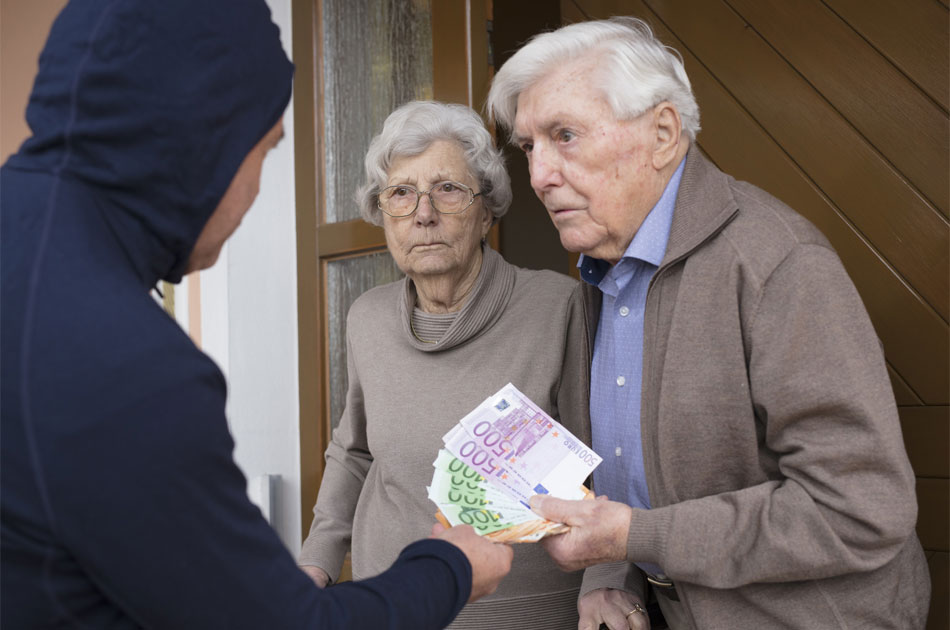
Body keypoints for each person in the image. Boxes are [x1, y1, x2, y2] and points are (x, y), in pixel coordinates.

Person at [0, 2, 512, 628]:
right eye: (267, 152)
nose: (255, 196)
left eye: (447, 191)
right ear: (206, 140)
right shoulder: (124, 364)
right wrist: (449, 565)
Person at [486, 16, 930, 630]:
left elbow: (860, 509)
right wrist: (609, 576)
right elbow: (616, 467)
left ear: (663, 133)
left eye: (565, 135)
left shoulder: (778, 264)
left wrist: (635, 537)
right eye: (529, 146)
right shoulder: (597, 275)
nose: (537, 176)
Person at [297, 100, 592, 629]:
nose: (423, 214)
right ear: (382, 213)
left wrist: (608, 583)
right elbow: (354, 450)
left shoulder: (558, 307)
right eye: (401, 194)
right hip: (392, 603)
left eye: (448, 190)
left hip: (524, 612)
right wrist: (315, 560)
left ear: (486, 210)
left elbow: (604, 463)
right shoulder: (368, 318)